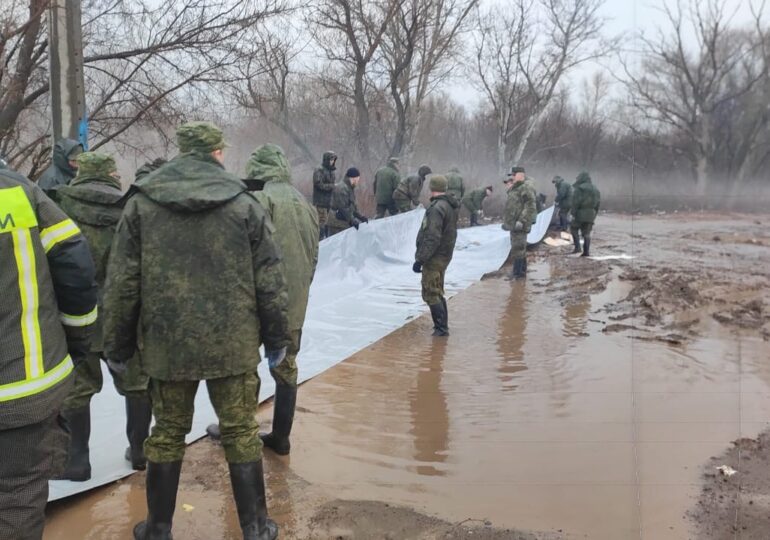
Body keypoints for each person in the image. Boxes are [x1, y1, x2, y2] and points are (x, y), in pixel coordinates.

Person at [103, 121, 289, 540]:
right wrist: (278, 339)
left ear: (181, 151)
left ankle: (157, 528)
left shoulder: (141, 205)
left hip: (168, 345)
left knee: (166, 433)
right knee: (241, 431)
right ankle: (256, 529)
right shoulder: (245, 204)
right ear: (217, 153)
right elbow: (271, 281)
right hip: (233, 343)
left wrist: (115, 344)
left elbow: (122, 284)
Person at [0, 162, 97, 540]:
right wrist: (75, 342)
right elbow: (74, 264)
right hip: (19, 391)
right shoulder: (19, 193)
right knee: (17, 501)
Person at [206, 143, 319, 457]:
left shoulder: (257, 200)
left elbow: (238, 255)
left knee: (243, 366)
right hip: (294, 302)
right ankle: (281, 437)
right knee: (287, 367)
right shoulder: (304, 203)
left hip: (258, 303)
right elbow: (314, 258)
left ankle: (235, 431)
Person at [54, 152, 152, 479]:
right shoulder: (132, 208)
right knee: (137, 384)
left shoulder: (58, 206)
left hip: (75, 315)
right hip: (125, 316)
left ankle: (77, 461)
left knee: (77, 390)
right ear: (110, 175)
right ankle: (140, 451)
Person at [412, 175, 459, 337]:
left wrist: (420, 259)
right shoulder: (449, 205)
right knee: (437, 290)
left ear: (432, 188)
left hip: (434, 257)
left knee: (431, 292)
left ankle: (441, 330)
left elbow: (432, 236)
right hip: (444, 255)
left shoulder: (437, 208)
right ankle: (442, 327)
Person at [502, 166, 537, 280]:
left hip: (520, 225)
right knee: (519, 248)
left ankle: (518, 274)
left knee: (518, 248)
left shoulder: (525, 187)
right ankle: (521, 272)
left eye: (514, 175)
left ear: (520, 174)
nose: (512, 177)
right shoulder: (516, 188)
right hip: (514, 224)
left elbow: (530, 206)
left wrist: (521, 220)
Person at [327, 167, 369, 236]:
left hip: (343, 222)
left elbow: (353, 206)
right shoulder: (341, 188)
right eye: (357, 180)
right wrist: (352, 220)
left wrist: (361, 217)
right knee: (337, 245)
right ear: (352, 178)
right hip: (336, 223)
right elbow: (344, 208)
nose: (358, 182)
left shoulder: (349, 188)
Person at [570, 171, 601, 257]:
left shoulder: (579, 189)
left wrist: (573, 213)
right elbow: (598, 203)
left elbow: (576, 202)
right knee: (586, 233)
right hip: (591, 213)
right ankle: (586, 251)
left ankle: (577, 248)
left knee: (573, 229)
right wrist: (594, 214)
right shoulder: (595, 189)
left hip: (580, 212)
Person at [313, 151, 337, 239]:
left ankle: (326, 241)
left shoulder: (332, 171)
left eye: (334, 160)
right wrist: (332, 186)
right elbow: (318, 184)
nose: (332, 161)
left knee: (327, 223)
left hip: (329, 202)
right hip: (320, 202)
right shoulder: (319, 170)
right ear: (326, 159)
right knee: (321, 223)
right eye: (331, 159)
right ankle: (320, 242)